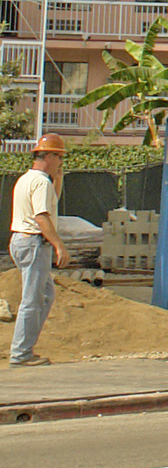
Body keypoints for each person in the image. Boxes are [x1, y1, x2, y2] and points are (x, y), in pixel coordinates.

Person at [9, 134, 68, 367]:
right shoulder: (41, 182)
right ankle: (21, 353)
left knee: (45, 295)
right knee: (32, 300)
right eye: (59, 156)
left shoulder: (27, 179)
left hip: (21, 240)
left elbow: (48, 205)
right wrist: (59, 245)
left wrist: (58, 179)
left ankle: (25, 349)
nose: (61, 161)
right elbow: (42, 217)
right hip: (34, 242)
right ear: (49, 156)